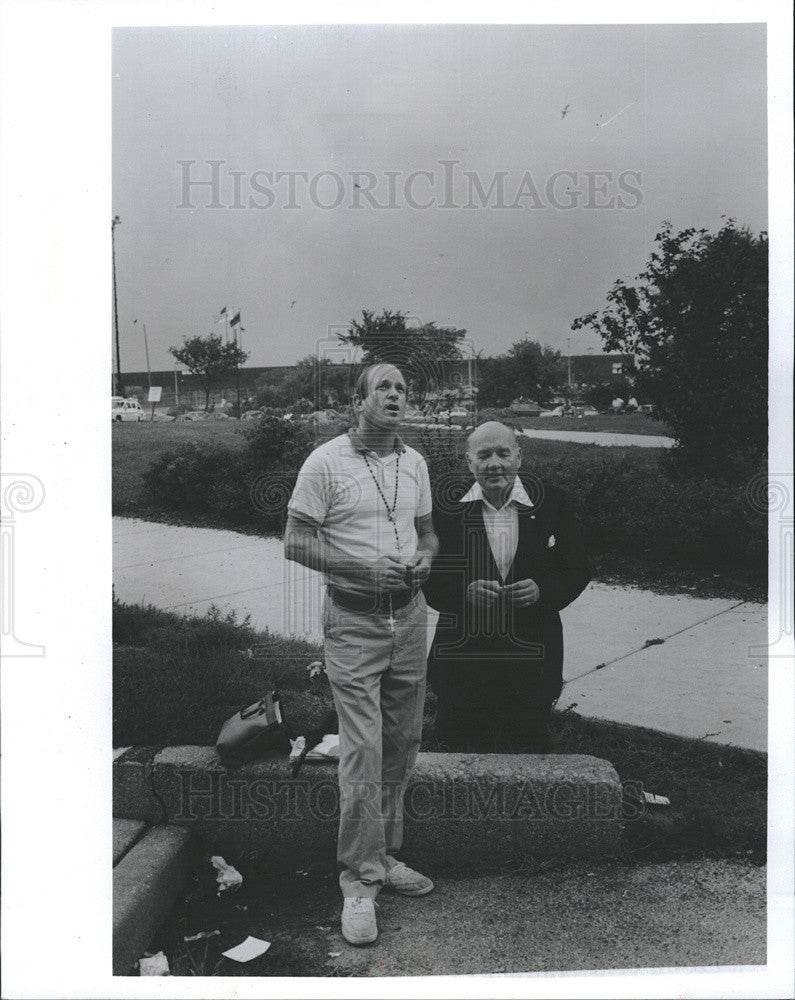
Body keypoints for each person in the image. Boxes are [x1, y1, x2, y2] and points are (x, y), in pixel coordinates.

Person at [284, 363, 439, 945]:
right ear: (359, 401)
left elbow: (428, 535)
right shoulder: (326, 462)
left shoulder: (415, 462)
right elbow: (296, 540)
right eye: (385, 387)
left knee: (402, 741)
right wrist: (361, 568)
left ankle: (385, 857)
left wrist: (425, 559)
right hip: (353, 620)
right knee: (363, 748)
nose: (397, 394)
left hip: (410, 617)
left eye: (404, 386)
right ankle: (357, 882)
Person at [422, 421, 590, 753]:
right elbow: (429, 573)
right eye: (484, 455)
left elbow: (579, 563)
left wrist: (543, 590)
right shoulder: (447, 508)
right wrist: (462, 593)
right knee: (459, 756)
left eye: (503, 453)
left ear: (519, 457)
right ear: (469, 461)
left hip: (531, 657)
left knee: (526, 754)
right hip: (463, 660)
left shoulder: (552, 500)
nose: (494, 463)